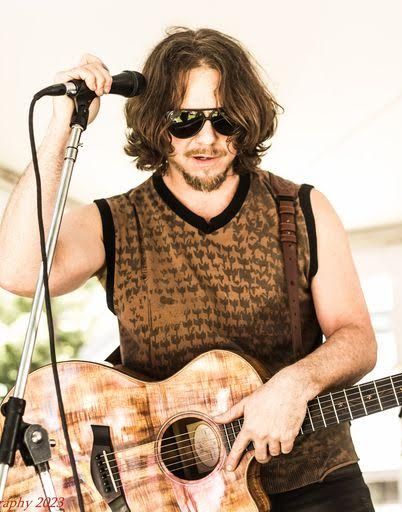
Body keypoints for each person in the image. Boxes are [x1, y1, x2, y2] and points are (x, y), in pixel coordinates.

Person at [0, 27, 377, 511]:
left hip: (315, 481)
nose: (207, 138)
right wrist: (60, 129)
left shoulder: (302, 208)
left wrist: (296, 381)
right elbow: (17, 270)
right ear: (156, 124)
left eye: (225, 120)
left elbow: (357, 338)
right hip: (174, 497)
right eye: (185, 120)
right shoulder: (116, 220)